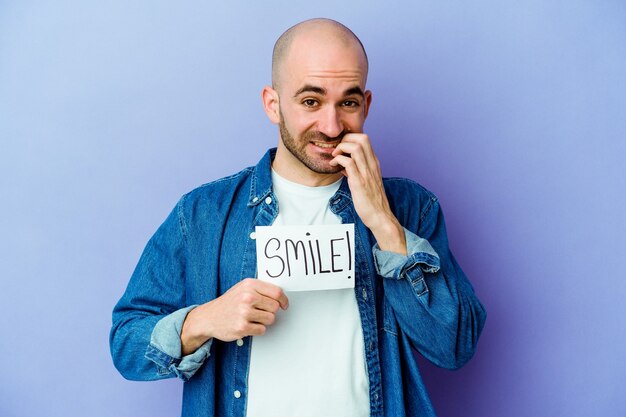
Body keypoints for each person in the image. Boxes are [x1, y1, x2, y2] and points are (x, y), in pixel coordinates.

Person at [110, 18, 486, 417]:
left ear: (367, 104)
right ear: (273, 104)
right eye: (311, 101)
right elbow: (127, 347)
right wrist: (204, 320)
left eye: (348, 102)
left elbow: (455, 345)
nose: (331, 125)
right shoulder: (203, 214)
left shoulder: (410, 207)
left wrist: (384, 224)